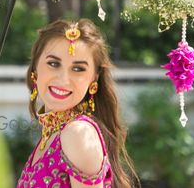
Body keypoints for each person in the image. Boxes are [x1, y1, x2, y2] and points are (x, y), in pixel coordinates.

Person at [17, 19, 139, 188]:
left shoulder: (78, 133)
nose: (63, 80)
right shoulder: (54, 134)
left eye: (78, 69)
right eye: (53, 64)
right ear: (35, 68)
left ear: (93, 79)